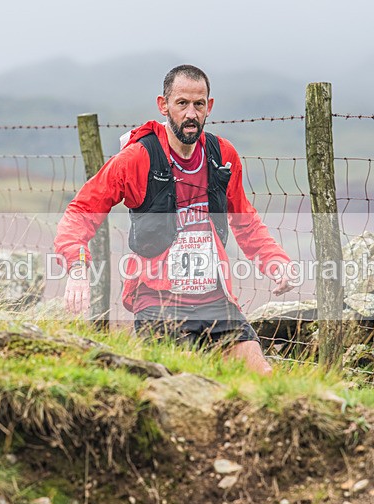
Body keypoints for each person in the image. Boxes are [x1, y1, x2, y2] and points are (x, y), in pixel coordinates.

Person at [54, 65, 294, 375]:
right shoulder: (137, 158)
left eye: (198, 104)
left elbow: (244, 219)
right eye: (182, 103)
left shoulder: (223, 156)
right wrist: (76, 266)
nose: (191, 113)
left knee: (262, 376)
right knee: (176, 380)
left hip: (215, 299)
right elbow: (81, 211)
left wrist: (275, 261)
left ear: (209, 106)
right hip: (157, 301)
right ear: (163, 105)